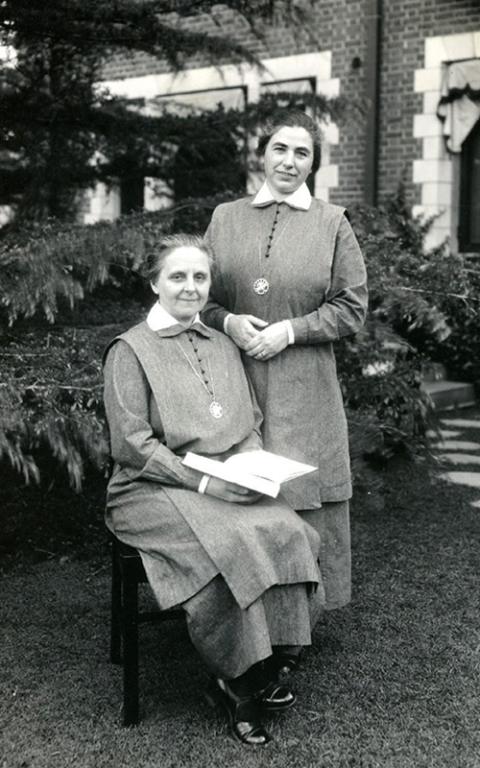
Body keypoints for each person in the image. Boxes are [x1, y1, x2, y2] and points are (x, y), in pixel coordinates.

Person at [103, 233, 325, 747]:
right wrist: (204, 482)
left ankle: (269, 659)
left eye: (200, 277)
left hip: (222, 479)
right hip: (147, 489)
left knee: (287, 529)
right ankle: (236, 680)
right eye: (177, 276)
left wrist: (251, 463)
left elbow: (247, 421)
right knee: (229, 544)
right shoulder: (129, 350)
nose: (190, 287)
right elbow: (133, 445)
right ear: (155, 282)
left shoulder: (222, 343)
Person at [203, 110, 368, 615]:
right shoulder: (225, 218)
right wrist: (229, 322)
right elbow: (198, 298)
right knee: (242, 491)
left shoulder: (331, 223)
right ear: (262, 154)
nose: (289, 161)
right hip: (236, 381)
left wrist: (291, 331)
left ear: (313, 164)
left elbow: (352, 307)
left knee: (300, 489)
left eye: (302, 153)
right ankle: (242, 613)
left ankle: (301, 617)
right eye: (280, 149)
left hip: (304, 386)